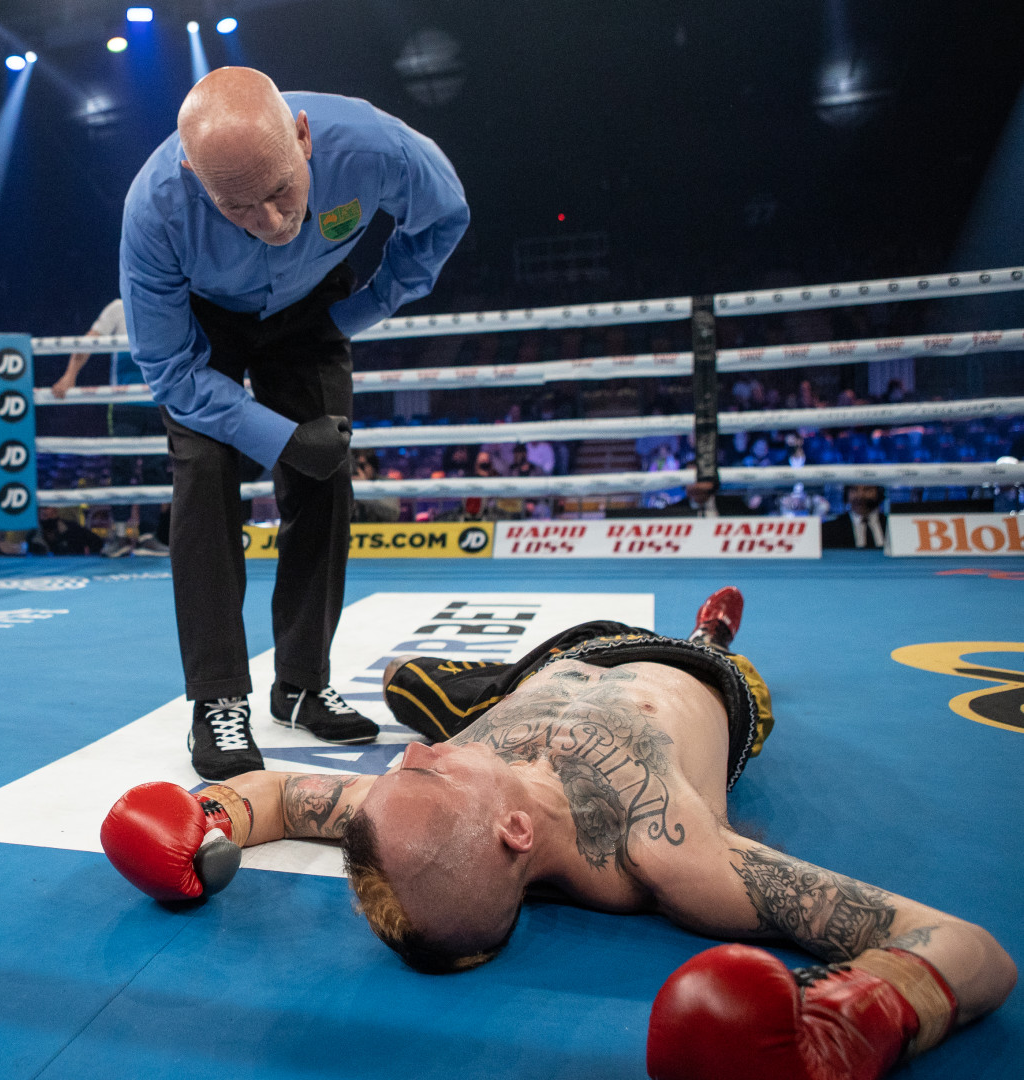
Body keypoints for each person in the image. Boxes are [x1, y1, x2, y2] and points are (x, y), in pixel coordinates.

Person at [102, 587, 1015, 1079]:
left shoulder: (410, 816)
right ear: (510, 831)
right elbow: (969, 948)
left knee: (421, 683)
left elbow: (271, 794)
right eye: (433, 770)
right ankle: (714, 622)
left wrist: (202, 820)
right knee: (722, 652)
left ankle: (517, 674)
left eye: (408, 766)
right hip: (696, 677)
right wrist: (855, 1024)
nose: (414, 756)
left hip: (554, 661)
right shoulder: (671, 849)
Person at [121, 67, 470, 780]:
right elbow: (171, 373)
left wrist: (359, 310)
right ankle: (217, 698)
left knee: (326, 473)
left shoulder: (375, 149)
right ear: (194, 176)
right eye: (239, 209)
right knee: (205, 472)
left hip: (315, 304)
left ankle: (304, 681)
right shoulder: (153, 211)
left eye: (281, 191)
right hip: (204, 326)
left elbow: (446, 216)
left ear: (304, 137)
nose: (272, 223)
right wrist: (277, 438)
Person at [51, 299, 171, 558]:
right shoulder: (119, 308)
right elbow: (89, 341)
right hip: (124, 404)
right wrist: (70, 375)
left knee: (156, 468)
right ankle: (118, 534)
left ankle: (148, 535)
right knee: (122, 466)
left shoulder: (166, 303)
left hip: (158, 402)